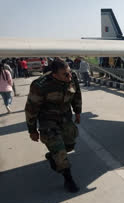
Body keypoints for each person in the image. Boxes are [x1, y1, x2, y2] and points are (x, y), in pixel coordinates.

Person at [25, 60, 82, 193]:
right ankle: (68, 179)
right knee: (60, 151)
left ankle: (52, 156)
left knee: (70, 145)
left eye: (69, 72)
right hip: (48, 121)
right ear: (54, 74)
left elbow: (77, 94)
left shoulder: (71, 76)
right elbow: (31, 109)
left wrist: (78, 111)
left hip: (65, 117)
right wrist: (32, 130)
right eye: (64, 74)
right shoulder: (40, 85)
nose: (69, 77)